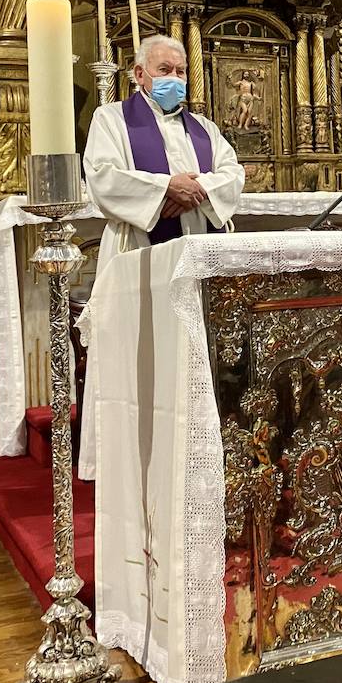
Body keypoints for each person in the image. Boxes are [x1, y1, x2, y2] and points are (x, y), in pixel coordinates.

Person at [78, 35, 245, 476]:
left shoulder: (204, 128)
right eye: (164, 70)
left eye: (181, 71)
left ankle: (199, 456)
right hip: (139, 254)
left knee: (198, 356)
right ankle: (138, 462)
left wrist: (197, 190)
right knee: (142, 360)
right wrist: (164, 189)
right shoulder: (111, 119)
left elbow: (232, 174)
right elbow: (103, 176)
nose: (175, 79)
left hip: (200, 257)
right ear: (139, 75)